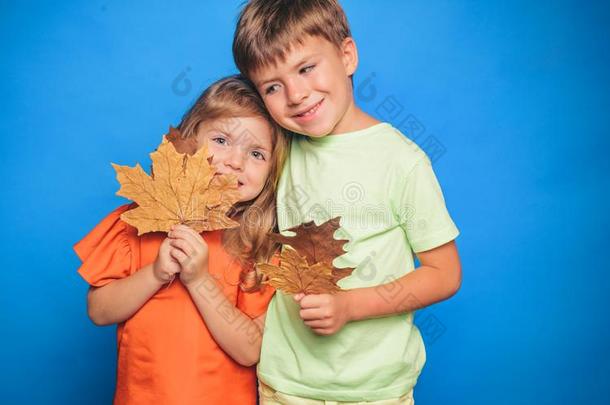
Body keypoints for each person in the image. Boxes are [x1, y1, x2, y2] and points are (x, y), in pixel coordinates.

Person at [232, 1, 462, 403]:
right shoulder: (276, 150)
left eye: (306, 68)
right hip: (285, 385)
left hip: (376, 390)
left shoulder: (401, 161)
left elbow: (444, 274)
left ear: (347, 55)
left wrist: (351, 306)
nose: (296, 94)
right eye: (272, 86)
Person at [73, 75, 289, 404]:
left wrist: (199, 280)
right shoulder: (138, 220)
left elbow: (249, 350)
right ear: (188, 141)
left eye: (257, 153)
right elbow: (99, 311)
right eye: (221, 140)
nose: (235, 161)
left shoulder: (259, 246)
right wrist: (156, 273)